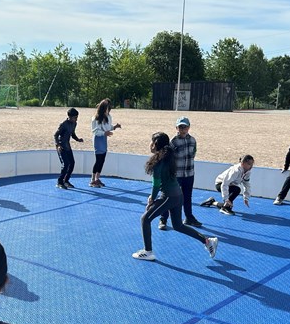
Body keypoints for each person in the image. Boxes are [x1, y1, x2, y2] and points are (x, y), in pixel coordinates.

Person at [132, 132, 217, 261]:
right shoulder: (168, 157)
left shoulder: (158, 162)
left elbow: (156, 185)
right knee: (178, 225)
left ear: (155, 144)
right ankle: (207, 241)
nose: (149, 144)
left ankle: (148, 251)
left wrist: (152, 198)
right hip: (178, 195)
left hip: (169, 197)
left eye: (151, 141)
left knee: (145, 219)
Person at [159, 116, 201, 230]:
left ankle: (189, 217)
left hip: (189, 174)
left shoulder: (193, 140)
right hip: (176, 175)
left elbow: (194, 153)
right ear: (176, 128)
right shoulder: (173, 142)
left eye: (185, 127)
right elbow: (168, 158)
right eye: (180, 127)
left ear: (189, 128)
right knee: (170, 197)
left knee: (187, 197)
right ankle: (163, 218)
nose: (183, 129)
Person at [90, 98, 121, 187]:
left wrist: (114, 127)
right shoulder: (95, 118)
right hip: (98, 139)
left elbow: (107, 127)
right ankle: (92, 179)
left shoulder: (108, 117)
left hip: (104, 139)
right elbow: (95, 131)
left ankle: (97, 178)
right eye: (107, 108)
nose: (109, 110)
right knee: (98, 159)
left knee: (102, 159)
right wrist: (104, 133)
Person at [54, 107, 84, 189]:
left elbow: (72, 133)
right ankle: (59, 182)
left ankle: (66, 181)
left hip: (67, 146)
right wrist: (58, 145)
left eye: (77, 117)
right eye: (75, 117)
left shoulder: (74, 124)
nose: (76, 119)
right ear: (70, 117)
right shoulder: (63, 124)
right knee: (66, 164)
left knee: (72, 163)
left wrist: (78, 139)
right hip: (61, 147)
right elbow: (56, 135)